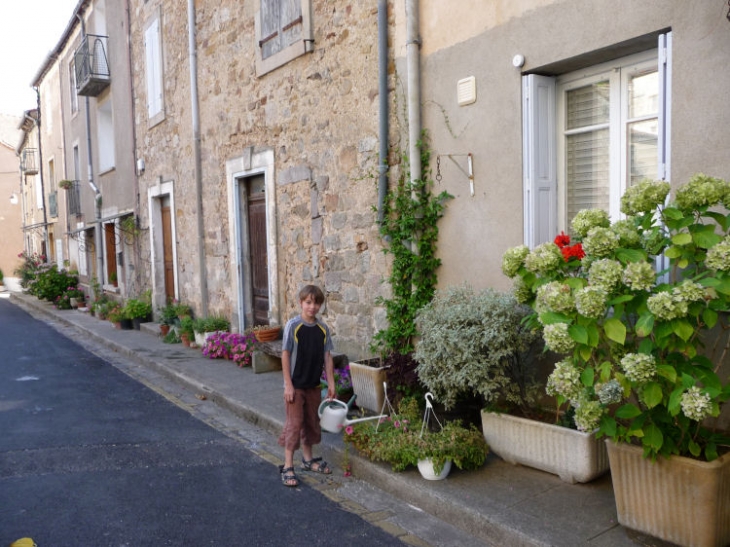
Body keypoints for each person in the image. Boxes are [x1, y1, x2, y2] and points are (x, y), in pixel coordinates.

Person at [278, 284, 335, 487]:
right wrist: (288, 385)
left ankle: (308, 460)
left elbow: (327, 357)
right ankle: (287, 466)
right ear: (301, 303)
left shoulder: (323, 329)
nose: (312, 307)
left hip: (313, 385)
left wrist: (331, 383)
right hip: (295, 385)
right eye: (308, 302)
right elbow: (285, 355)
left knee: (312, 422)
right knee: (294, 423)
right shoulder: (293, 326)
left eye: (316, 303)